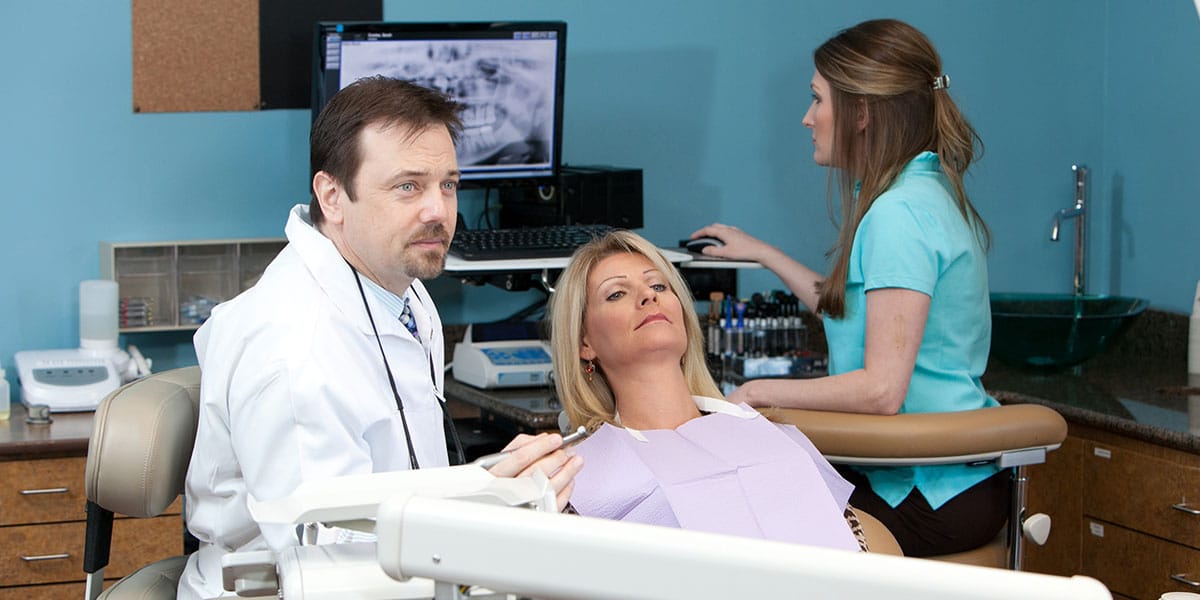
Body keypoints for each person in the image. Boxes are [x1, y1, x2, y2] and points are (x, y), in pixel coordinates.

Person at [178, 76, 582, 600]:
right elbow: (327, 552)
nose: (438, 211)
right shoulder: (296, 349)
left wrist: (494, 486)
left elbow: (401, 484)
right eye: (408, 186)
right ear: (332, 195)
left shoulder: (397, 288)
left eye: (449, 184)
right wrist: (497, 512)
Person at [689, 19, 1003, 557]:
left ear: (860, 113)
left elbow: (881, 391)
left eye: (817, 100)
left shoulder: (898, 215)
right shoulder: (921, 189)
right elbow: (855, 310)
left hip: (926, 494)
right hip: (953, 484)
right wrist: (764, 253)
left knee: (739, 524)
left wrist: (757, 395)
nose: (807, 118)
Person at [547, 229, 863, 553]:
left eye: (658, 285)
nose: (648, 296)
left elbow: (853, 545)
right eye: (616, 294)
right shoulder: (577, 477)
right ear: (585, 343)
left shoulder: (770, 435)